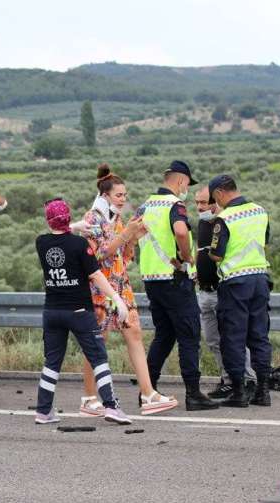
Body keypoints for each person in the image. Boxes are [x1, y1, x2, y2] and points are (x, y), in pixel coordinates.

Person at [78, 164, 178, 416]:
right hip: (100, 287)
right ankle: (89, 398)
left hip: (121, 286)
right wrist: (126, 235)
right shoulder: (93, 218)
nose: (123, 200)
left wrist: (134, 236)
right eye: (119, 195)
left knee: (134, 334)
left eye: (125, 195)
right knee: (97, 342)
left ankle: (148, 394)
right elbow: (98, 255)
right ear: (105, 195)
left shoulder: (117, 218)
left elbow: (124, 256)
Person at [34, 198, 132, 425]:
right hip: (79, 311)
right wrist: (116, 298)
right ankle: (111, 406)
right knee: (98, 357)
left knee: (52, 362)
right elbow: (96, 276)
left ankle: (43, 410)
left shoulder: (42, 243)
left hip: (52, 312)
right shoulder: (79, 246)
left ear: (49, 220)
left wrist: (73, 226)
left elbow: (56, 232)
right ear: (68, 217)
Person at [137, 160, 218, 411]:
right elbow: (181, 232)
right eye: (187, 184)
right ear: (181, 180)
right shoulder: (175, 205)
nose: (186, 189)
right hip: (175, 278)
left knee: (164, 334)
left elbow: (132, 234)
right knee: (189, 335)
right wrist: (186, 257)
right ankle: (193, 393)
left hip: (152, 280)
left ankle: (147, 390)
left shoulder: (145, 204)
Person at [208, 174, 272, 407]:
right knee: (259, 336)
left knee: (233, 338)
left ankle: (239, 392)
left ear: (219, 194)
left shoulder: (223, 218)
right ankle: (263, 392)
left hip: (235, 282)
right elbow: (264, 241)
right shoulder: (260, 210)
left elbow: (217, 254)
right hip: (260, 279)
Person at [195, 186, 257, 400]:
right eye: (197, 203)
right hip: (204, 291)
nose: (200, 207)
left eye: (205, 203)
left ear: (216, 202)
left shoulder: (224, 223)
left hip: (223, 290)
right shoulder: (203, 225)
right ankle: (228, 381)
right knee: (213, 340)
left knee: (232, 339)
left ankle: (247, 380)